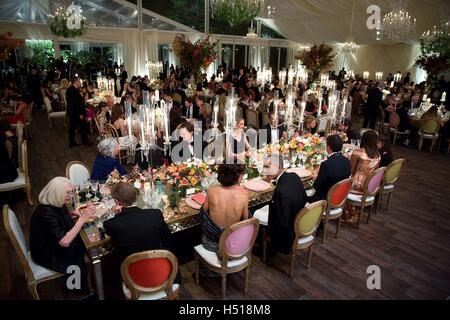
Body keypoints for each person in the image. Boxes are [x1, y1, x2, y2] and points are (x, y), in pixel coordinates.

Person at [103, 182, 180, 293]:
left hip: (133, 279)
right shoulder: (155, 214)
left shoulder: (111, 224)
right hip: (164, 273)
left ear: (116, 202)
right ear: (137, 196)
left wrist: (117, 215)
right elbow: (168, 240)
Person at [29, 177, 93, 283]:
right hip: (49, 253)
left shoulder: (53, 201)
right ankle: (78, 284)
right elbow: (64, 242)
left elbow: (57, 220)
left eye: (71, 192)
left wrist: (71, 215)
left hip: (51, 242)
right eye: (68, 193)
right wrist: (82, 219)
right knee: (85, 241)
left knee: (84, 238)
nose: (71, 196)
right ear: (57, 194)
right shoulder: (45, 213)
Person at [200, 162, 249, 252]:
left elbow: (203, 214)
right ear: (237, 177)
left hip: (212, 244)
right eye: (242, 174)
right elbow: (245, 220)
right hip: (232, 244)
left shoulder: (212, 191)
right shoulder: (243, 194)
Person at [265, 154, 307, 255]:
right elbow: (304, 197)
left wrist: (268, 231)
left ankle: (267, 250)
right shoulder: (294, 176)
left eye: (268, 167)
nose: (265, 171)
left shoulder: (280, 192)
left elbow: (281, 224)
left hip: (287, 235)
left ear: (279, 167)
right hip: (302, 222)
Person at [342, 130, 381, 224]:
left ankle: (348, 213)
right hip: (370, 185)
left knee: (338, 180)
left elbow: (350, 170)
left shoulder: (358, 153)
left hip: (357, 186)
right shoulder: (378, 154)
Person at [308, 135, 351, 202]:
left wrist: (315, 177)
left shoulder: (326, 164)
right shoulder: (347, 161)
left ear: (328, 147)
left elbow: (316, 186)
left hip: (325, 200)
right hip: (340, 198)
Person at [66, 77, 89, 147]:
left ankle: (73, 142)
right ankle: (83, 141)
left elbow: (78, 101)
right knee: (81, 126)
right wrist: (80, 113)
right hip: (76, 113)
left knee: (74, 127)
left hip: (74, 112)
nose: (80, 83)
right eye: (79, 81)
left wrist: (83, 94)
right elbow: (76, 104)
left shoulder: (72, 89)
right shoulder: (73, 90)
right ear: (75, 82)